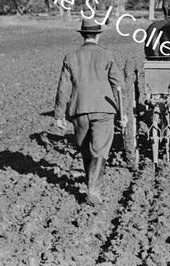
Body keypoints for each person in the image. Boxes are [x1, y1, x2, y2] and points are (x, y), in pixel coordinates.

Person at [54, 18, 127, 205]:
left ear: (83, 35)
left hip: (79, 109)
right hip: (104, 109)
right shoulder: (107, 55)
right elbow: (119, 85)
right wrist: (123, 113)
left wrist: (59, 115)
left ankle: (90, 183)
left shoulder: (70, 56)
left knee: (85, 150)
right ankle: (93, 190)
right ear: (98, 35)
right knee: (100, 150)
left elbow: (63, 88)